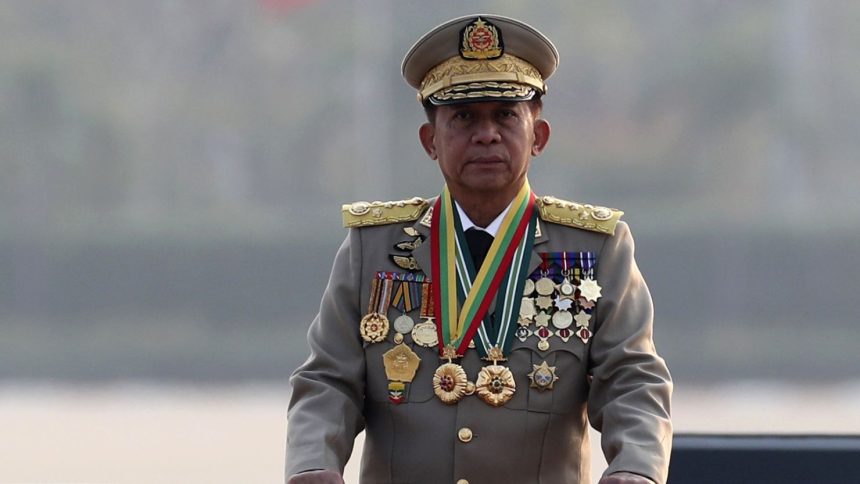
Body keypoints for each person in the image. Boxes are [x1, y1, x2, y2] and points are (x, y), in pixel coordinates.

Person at [286, 14, 672, 484]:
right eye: (464, 117)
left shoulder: (594, 249)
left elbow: (633, 381)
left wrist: (636, 470)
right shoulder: (375, 248)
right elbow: (328, 381)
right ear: (430, 140)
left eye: (505, 115)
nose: (486, 134)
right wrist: (313, 464)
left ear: (539, 137)